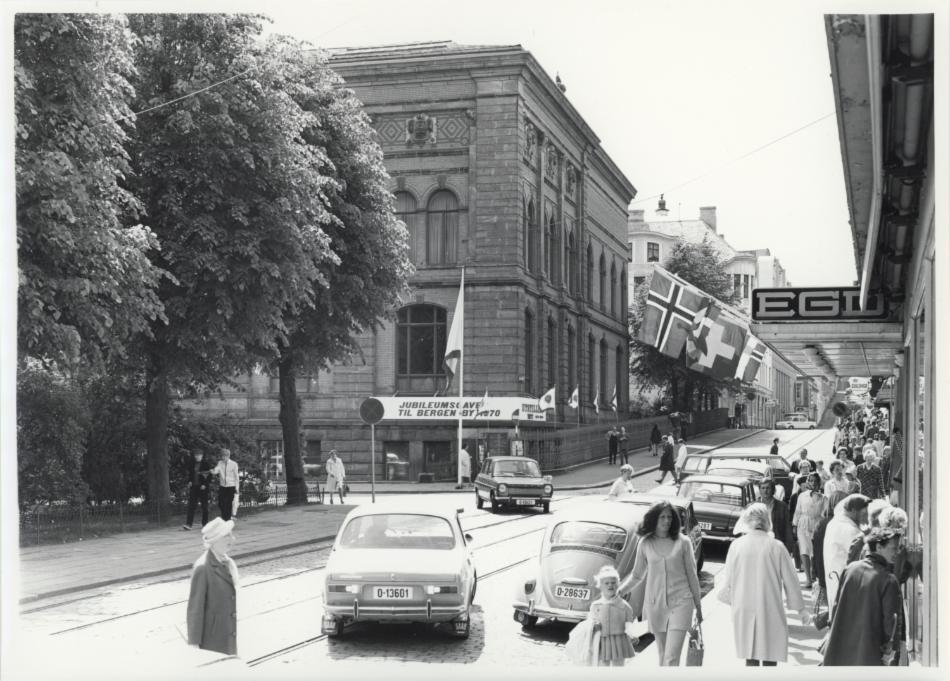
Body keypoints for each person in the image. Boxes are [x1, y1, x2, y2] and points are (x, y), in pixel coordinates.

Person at [718, 503, 808, 666]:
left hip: (743, 606)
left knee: (750, 653)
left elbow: (728, 580)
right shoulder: (777, 547)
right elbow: (791, 580)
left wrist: (731, 599)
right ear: (767, 520)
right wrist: (800, 609)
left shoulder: (736, 546)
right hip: (770, 606)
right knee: (770, 653)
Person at [622, 501, 702, 666]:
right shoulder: (645, 543)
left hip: (682, 602)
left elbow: (692, 576)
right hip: (656, 604)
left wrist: (698, 607)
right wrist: (618, 591)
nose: (667, 521)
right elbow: (637, 575)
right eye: (662, 517)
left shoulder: (683, 542)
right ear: (654, 519)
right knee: (662, 655)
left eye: (670, 517)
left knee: (672, 657)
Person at [821, 527, 902, 666]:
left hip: (840, 647)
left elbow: (835, 608)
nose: (897, 552)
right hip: (869, 653)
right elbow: (891, 623)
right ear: (878, 547)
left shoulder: (850, 569)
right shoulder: (888, 580)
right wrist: (891, 652)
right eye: (894, 548)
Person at [186, 518, 239, 655]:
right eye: (227, 535)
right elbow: (195, 610)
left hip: (227, 633)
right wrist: (194, 644)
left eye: (231, 534)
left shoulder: (227, 562)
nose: (232, 539)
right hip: (212, 642)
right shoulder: (203, 568)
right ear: (215, 541)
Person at [823, 493, 870, 613]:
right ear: (854, 510)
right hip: (846, 583)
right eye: (864, 513)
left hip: (835, 577)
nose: (866, 518)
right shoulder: (850, 530)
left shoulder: (834, 523)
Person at [587, 565, 638, 666]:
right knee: (603, 666)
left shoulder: (624, 606)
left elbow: (629, 624)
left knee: (618, 667)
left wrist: (632, 635)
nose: (610, 585)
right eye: (606, 583)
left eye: (613, 583)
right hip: (602, 641)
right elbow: (590, 623)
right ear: (600, 585)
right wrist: (594, 625)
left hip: (619, 641)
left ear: (618, 584)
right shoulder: (595, 605)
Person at [792, 472, 826, 588]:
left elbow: (824, 514)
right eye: (811, 480)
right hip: (803, 524)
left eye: (816, 481)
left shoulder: (823, 497)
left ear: (819, 483)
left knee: (815, 551)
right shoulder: (802, 495)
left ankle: (815, 575)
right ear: (807, 482)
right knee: (804, 550)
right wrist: (794, 525)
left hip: (816, 524)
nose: (813, 483)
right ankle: (808, 578)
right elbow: (797, 511)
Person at [758, 478, 793, 554]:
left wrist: (789, 548)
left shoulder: (782, 506)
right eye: (763, 488)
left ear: (773, 490)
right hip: (759, 543)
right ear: (759, 490)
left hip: (776, 543)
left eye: (768, 488)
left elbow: (787, 527)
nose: (765, 491)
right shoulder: (754, 506)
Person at [183, 448, 213, 530]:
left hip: (203, 488)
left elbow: (209, 476)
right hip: (194, 487)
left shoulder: (206, 464)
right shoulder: (192, 464)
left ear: (202, 456)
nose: (197, 457)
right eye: (196, 455)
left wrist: (204, 484)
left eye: (199, 455)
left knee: (204, 506)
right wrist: (189, 481)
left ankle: (205, 524)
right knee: (191, 506)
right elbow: (190, 475)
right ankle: (189, 524)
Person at [212, 447, 239, 521]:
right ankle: (226, 517)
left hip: (231, 486)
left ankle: (226, 518)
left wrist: (237, 488)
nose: (223, 457)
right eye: (222, 456)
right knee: (221, 503)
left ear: (228, 456)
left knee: (228, 503)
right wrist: (213, 471)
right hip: (223, 486)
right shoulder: (220, 463)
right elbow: (217, 470)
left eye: (224, 456)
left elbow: (236, 477)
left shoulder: (234, 464)